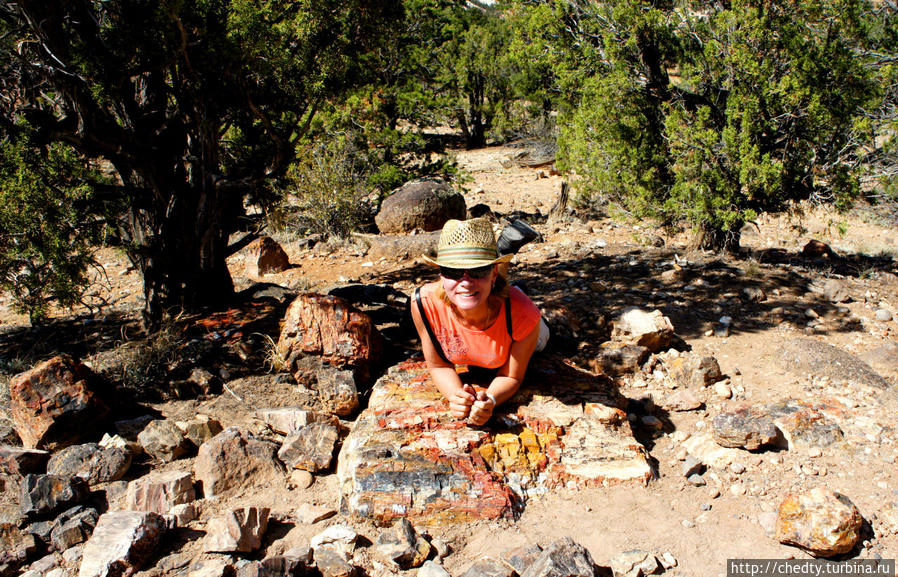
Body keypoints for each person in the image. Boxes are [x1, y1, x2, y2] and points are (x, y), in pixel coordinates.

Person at [410, 218, 549, 426]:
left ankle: (514, 288)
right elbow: (438, 365)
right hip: (492, 294)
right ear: (441, 275)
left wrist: (490, 399)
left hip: (523, 327)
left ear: (493, 274)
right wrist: (457, 397)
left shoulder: (525, 315)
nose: (465, 282)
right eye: (454, 272)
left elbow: (511, 376)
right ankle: (499, 264)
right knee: (479, 292)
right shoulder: (423, 304)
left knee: (543, 338)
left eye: (477, 271)